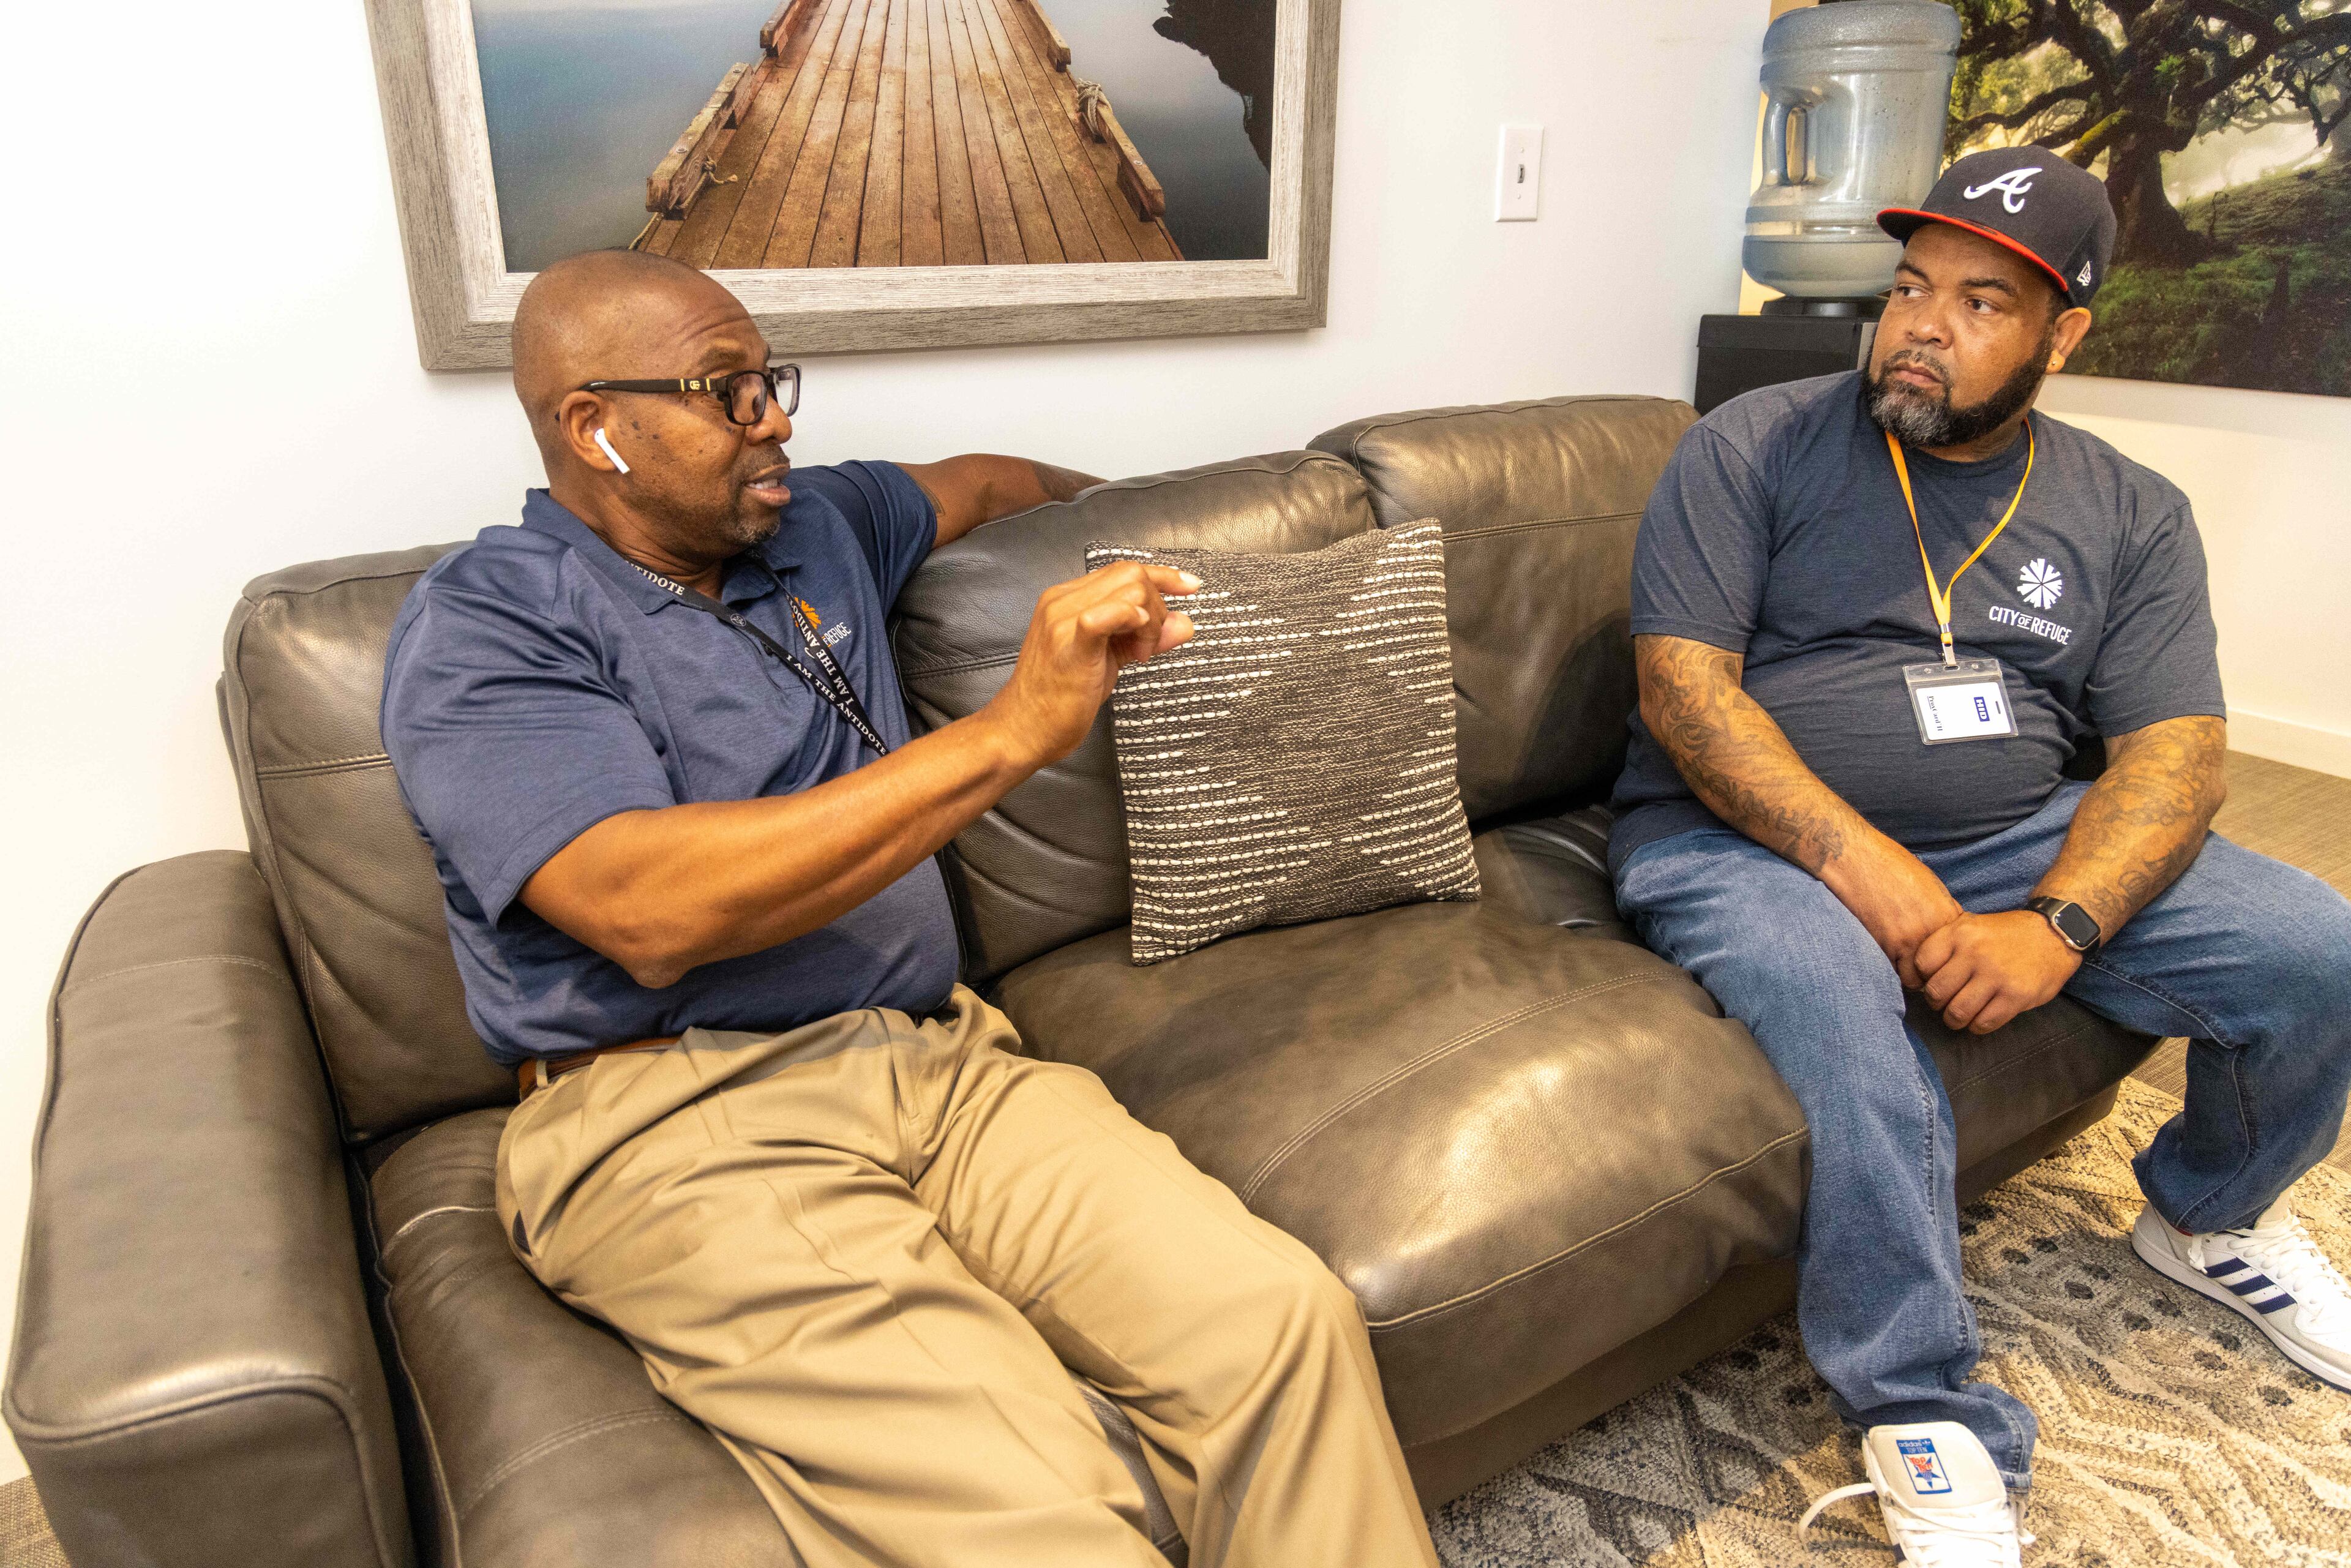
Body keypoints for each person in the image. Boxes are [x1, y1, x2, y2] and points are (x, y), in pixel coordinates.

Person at [379, 248, 1438, 1568]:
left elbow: (1000, 485)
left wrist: (1150, 560)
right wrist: (1008, 734)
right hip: (672, 1119)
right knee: (1039, 1508)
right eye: (727, 393)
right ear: (593, 427)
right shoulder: (489, 625)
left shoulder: (814, 521)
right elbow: (641, 907)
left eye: (771, 379)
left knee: (1278, 1321)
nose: (775, 419)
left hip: (942, 1062)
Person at [1607, 149, 2351, 1564]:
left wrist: (2059, 922)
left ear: (2065, 334)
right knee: (1843, 1007)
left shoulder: (2130, 511)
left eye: (1980, 302)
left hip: (2020, 836)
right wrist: (1868, 871)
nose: (1920, 327)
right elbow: (1685, 695)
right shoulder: (1752, 445)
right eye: (1908, 288)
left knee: (2319, 946)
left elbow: (2177, 754)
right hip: (1740, 841)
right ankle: (1921, 1402)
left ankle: (2207, 1217)